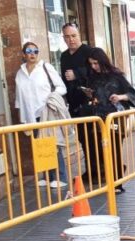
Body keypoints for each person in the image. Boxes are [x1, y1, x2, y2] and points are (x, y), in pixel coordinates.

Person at [79, 47, 135, 193]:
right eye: (91, 64)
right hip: (98, 117)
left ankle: (117, 183)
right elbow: (92, 95)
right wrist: (90, 96)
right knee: (101, 150)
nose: (93, 67)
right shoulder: (92, 77)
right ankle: (109, 178)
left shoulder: (116, 76)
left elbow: (132, 93)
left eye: (96, 63)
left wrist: (120, 97)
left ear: (103, 61)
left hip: (115, 117)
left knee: (115, 149)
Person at [15, 41, 69, 189]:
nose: (32, 54)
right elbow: (19, 96)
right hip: (31, 114)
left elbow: (61, 87)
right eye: (29, 51)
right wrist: (22, 115)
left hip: (47, 111)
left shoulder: (46, 67)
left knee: (53, 144)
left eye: (35, 51)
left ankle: (60, 176)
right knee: (40, 145)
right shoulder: (20, 72)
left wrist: (51, 98)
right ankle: (46, 176)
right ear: (24, 54)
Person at [59, 23, 98, 178]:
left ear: (79, 35)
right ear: (63, 38)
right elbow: (64, 80)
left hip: (93, 103)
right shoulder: (64, 56)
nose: (71, 40)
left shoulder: (90, 52)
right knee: (83, 139)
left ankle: (101, 170)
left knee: (95, 138)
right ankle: (90, 170)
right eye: (67, 37)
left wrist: (77, 74)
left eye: (73, 36)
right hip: (75, 105)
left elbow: (98, 70)